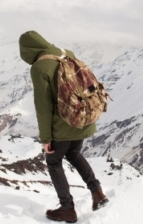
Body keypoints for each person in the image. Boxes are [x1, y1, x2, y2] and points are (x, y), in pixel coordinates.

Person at [19, 30, 109, 223]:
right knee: (74, 153)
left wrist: (45, 139)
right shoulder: (65, 52)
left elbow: (43, 107)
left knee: (53, 162)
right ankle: (98, 193)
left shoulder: (39, 67)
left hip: (63, 124)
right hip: (82, 117)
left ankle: (67, 209)